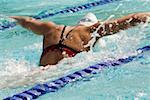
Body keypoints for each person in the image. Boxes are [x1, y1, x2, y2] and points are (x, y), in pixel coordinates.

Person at [11, 12, 150, 66]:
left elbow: (27, 21)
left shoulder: (52, 28)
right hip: (53, 77)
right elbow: (133, 19)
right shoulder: (91, 31)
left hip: (35, 72)